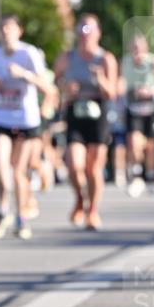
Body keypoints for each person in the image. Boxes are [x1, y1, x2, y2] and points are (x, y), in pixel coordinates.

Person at [0, 15, 51, 241]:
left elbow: (47, 86)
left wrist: (23, 75)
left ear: (19, 31)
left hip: (26, 119)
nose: (5, 32)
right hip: (1, 116)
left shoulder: (28, 54)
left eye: (9, 28)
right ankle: (3, 210)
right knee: (1, 167)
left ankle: (22, 216)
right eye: (2, 28)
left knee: (18, 171)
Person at [54, 14, 118, 230]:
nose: (85, 35)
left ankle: (93, 211)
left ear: (98, 33)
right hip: (75, 112)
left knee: (93, 168)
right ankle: (80, 199)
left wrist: (101, 80)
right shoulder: (67, 57)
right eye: (81, 29)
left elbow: (113, 93)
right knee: (74, 165)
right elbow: (55, 83)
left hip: (98, 114)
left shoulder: (105, 59)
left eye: (89, 30)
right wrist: (65, 88)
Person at [119, 32, 154, 197]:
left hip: (150, 108)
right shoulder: (126, 62)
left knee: (150, 146)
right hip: (133, 108)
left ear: (145, 48)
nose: (137, 51)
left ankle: (150, 175)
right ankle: (137, 176)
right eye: (134, 48)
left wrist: (150, 91)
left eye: (139, 47)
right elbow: (121, 84)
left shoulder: (153, 62)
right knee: (134, 143)